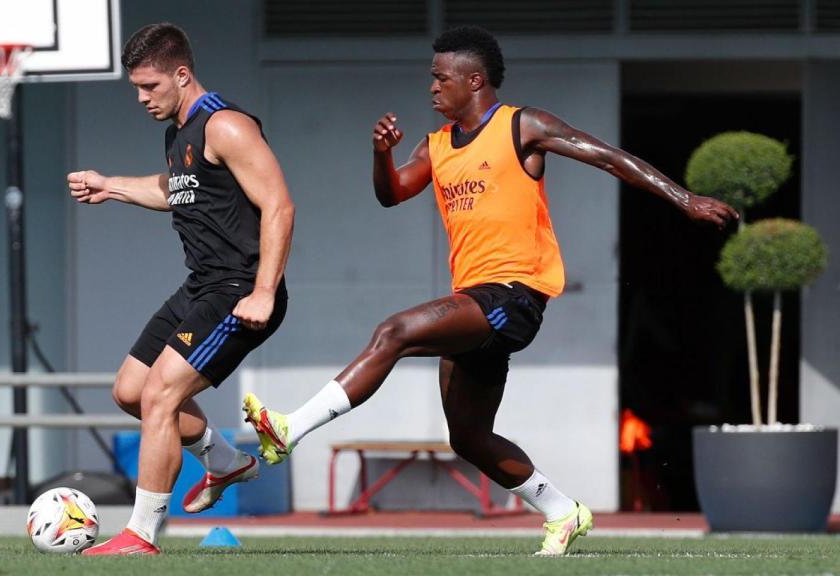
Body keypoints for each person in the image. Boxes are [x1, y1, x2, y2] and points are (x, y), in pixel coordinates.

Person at [242, 25, 737, 556]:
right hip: (475, 301)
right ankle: (562, 510)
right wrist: (381, 154)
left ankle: (290, 429)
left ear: (473, 80)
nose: (431, 88)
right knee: (469, 438)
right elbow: (392, 194)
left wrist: (683, 199)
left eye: (440, 78)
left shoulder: (523, 126)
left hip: (514, 296)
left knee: (393, 331)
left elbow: (609, 156)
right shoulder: (434, 147)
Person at [68, 23, 294, 556]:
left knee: (161, 394)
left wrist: (264, 290)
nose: (142, 98)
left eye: (150, 87)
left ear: (182, 74)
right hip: (200, 287)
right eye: (137, 89)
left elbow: (279, 204)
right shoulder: (178, 132)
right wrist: (111, 186)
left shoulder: (227, 126)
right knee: (130, 391)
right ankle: (222, 460)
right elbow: (178, 189)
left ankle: (140, 534)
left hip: (239, 290)